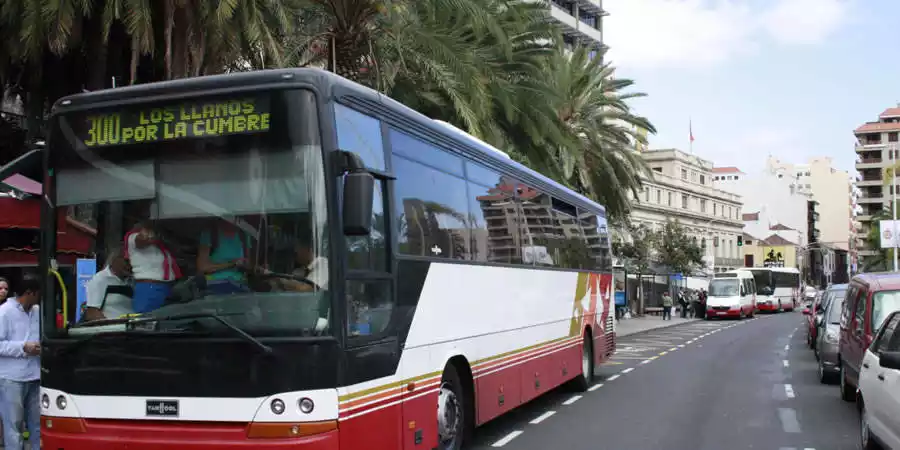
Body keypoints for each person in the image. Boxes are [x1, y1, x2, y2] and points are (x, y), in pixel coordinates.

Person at [0, 274, 40, 450]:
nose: (41, 298)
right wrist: (23, 347)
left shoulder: (37, 311)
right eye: (39, 294)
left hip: (35, 375)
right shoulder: (5, 312)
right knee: (14, 427)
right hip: (11, 378)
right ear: (30, 293)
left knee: (37, 425)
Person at [124, 221, 182, 313]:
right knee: (146, 321)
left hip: (166, 287)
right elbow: (142, 239)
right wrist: (146, 229)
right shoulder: (133, 236)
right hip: (149, 288)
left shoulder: (160, 245)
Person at [196, 220, 254, 295]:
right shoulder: (210, 234)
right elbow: (202, 267)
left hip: (240, 283)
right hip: (215, 283)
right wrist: (232, 264)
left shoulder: (243, 234)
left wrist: (246, 264)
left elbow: (249, 264)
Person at [83, 249, 135, 321]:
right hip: (114, 328)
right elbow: (92, 313)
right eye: (127, 261)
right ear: (114, 260)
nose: (130, 265)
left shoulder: (134, 280)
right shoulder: (100, 279)